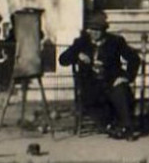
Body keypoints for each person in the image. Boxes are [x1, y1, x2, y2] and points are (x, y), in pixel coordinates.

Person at [59, 11, 141, 139]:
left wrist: (125, 77)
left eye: (97, 29)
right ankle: (110, 126)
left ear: (104, 30)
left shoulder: (115, 42)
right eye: (91, 29)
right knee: (90, 98)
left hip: (111, 81)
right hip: (91, 84)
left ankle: (127, 128)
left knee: (121, 90)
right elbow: (62, 60)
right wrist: (77, 55)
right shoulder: (81, 42)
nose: (93, 32)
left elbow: (134, 59)